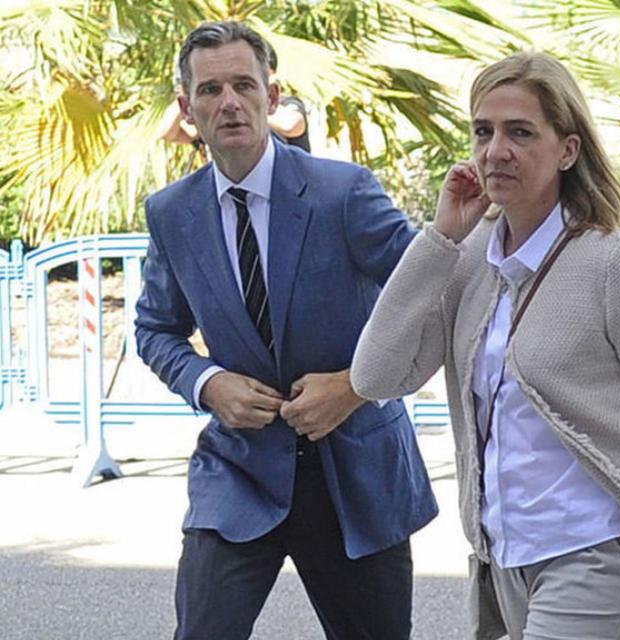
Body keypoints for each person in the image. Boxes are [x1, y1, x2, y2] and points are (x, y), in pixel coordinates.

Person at [351, 51, 620, 640]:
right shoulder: (471, 257)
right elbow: (375, 377)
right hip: (503, 557)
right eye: (484, 131)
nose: (495, 149)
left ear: (568, 150)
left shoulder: (613, 265)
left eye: (520, 132)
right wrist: (440, 238)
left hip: (598, 549)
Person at [135, 20, 437, 640]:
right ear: (187, 109)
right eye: (210, 90)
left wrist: (354, 386)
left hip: (356, 473)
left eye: (244, 85)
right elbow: (156, 330)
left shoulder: (342, 192)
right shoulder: (171, 213)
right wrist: (208, 382)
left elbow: (427, 300)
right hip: (239, 472)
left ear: (272, 98)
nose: (229, 103)